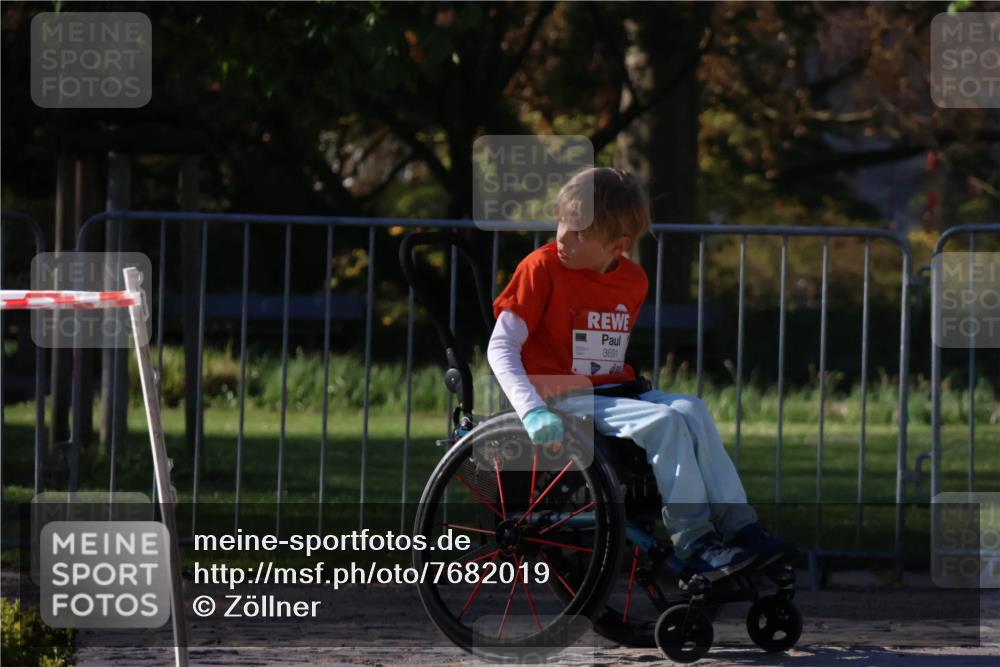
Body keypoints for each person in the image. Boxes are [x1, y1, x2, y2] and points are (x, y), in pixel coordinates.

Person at [486, 167, 790, 581]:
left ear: (618, 246)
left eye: (578, 233)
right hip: (560, 397)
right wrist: (531, 410)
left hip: (614, 391)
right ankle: (695, 540)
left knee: (693, 409)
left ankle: (741, 528)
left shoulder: (634, 281)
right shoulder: (540, 268)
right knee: (664, 422)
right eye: (562, 223)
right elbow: (500, 346)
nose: (562, 237)